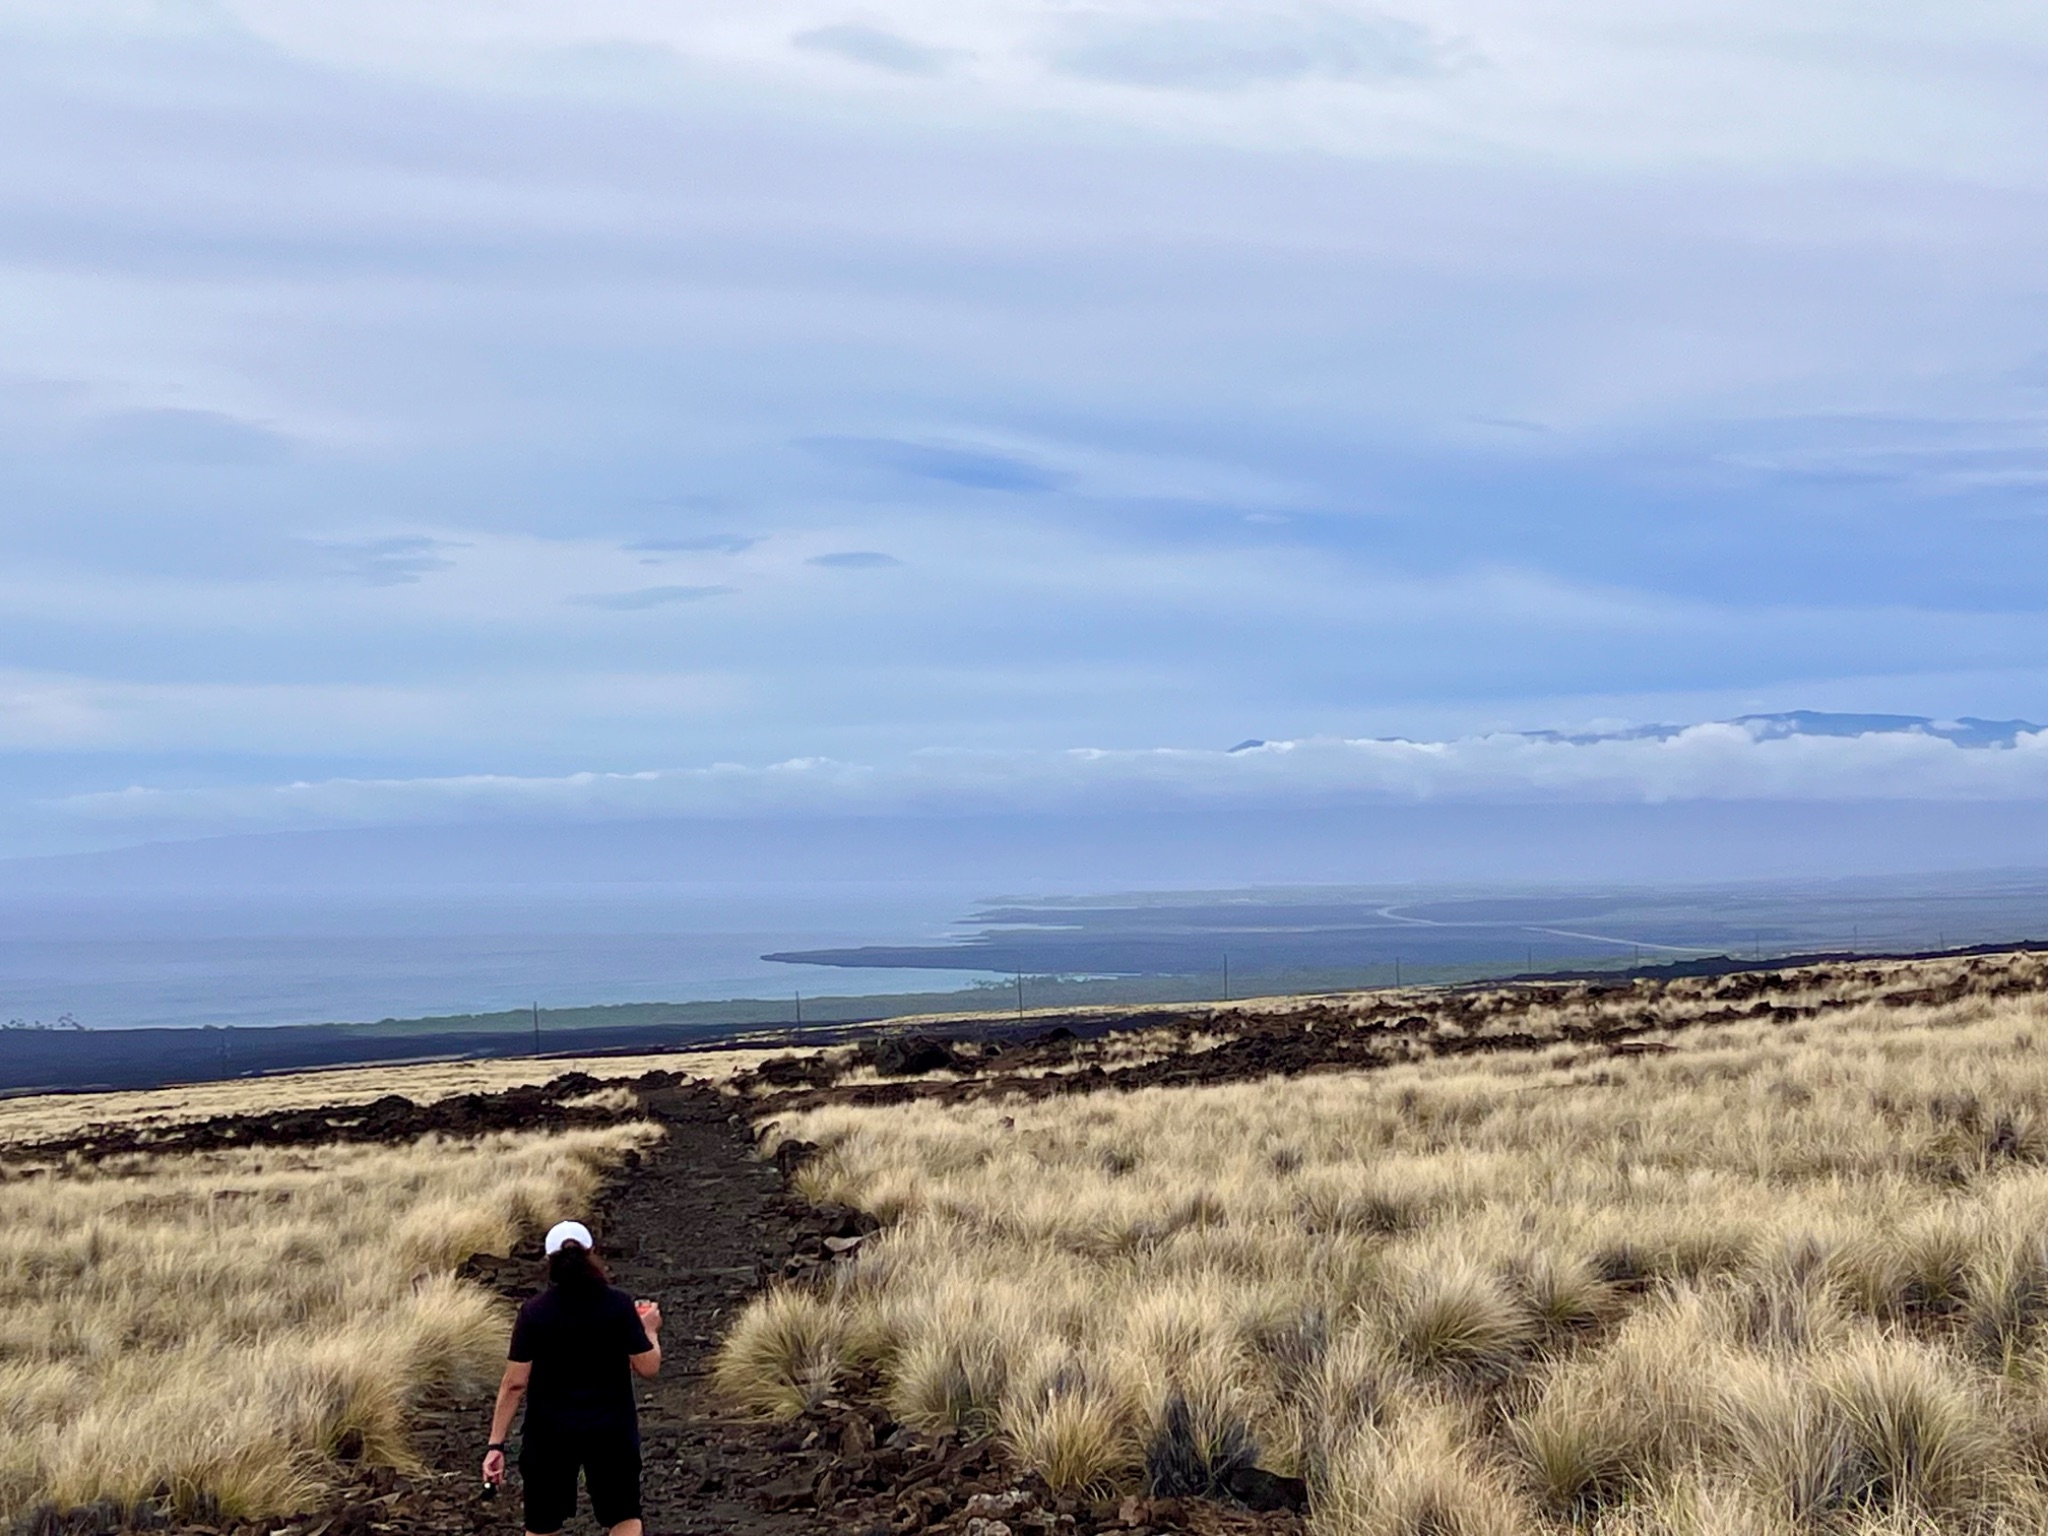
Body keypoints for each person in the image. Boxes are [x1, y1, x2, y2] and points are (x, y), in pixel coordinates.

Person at [482, 1220, 663, 1536]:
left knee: (542, 1524)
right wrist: (649, 1329)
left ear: (549, 1261)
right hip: (612, 1433)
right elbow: (648, 1367)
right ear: (591, 1253)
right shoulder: (618, 1304)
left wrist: (495, 1444)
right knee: (624, 1517)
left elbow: (514, 1383)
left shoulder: (534, 1312)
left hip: (549, 1436)